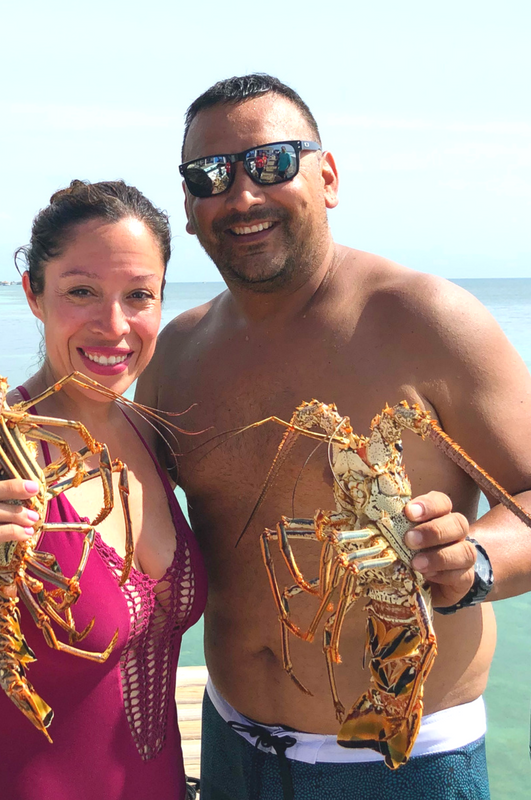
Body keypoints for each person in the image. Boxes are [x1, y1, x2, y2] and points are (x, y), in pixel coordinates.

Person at [136, 74, 531, 799]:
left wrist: (471, 559)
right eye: (210, 175)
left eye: (272, 162)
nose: (243, 195)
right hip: (231, 743)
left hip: (406, 763)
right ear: (190, 210)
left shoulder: (430, 320)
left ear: (329, 177)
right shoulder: (173, 357)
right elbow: (122, 531)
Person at [0, 180, 207, 800]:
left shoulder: (153, 435)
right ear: (34, 295)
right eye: (82, 292)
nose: (114, 325)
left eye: (139, 295)